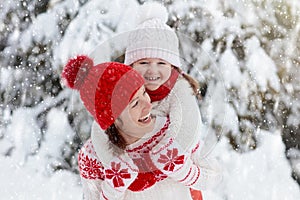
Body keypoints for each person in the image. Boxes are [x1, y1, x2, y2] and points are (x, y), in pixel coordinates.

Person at [61, 55, 221, 199]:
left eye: (144, 93)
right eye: (135, 103)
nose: (148, 105)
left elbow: (213, 177)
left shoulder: (169, 132)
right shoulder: (94, 156)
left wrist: (184, 170)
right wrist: (113, 190)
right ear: (114, 119)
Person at [124, 3, 216, 199]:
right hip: (134, 184)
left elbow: (187, 128)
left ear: (172, 65)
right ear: (131, 64)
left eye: (161, 63)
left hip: (172, 183)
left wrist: (163, 156)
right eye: (144, 62)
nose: (152, 70)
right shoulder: (124, 92)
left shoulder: (179, 88)